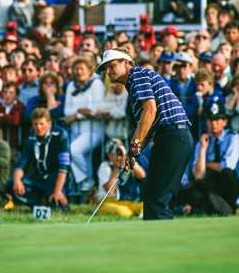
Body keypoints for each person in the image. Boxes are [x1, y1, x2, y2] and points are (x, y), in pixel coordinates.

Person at [96, 47, 194, 220]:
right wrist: (133, 153)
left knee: (156, 199)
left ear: (126, 62)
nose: (108, 71)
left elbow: (150, 109)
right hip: (172, 137)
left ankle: (159, 243)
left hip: (172, 136)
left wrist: (134, 146)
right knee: (156, 198)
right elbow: (147, 128)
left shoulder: (136, 74)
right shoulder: (133, 86)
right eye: (105, 69)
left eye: (111, 66)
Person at [177, 99, 239, 216]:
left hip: (229, 184)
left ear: (224, 121)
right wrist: (203, 149)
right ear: (207, 122)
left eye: (217, 119)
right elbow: (198, 175)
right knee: (191, 189)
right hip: (209, 183)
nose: (213, 123)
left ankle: (207, 206)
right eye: (211, 120)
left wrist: (206, 163)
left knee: (227, 174)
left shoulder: (233, 137)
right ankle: (224, 209)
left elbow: (227, 166)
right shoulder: (202, 141)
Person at [7, 107, 70, 209]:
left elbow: (64, 166)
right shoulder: (30, 139)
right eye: (35, 124)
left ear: (49, 124)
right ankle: (39, 202)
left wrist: (57, 191)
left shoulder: (61, 135)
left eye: (41, 124)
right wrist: (17, 181)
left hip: (55, 179)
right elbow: (21, 164)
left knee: (58, 206)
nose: (38, 128)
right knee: (10, 184)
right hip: (38, 178)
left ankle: (52, 198)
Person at [64, 56, 105, 192]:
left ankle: (87, 179)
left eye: (81, 69)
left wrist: (76, 115)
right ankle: (87, 192)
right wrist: (81, 112)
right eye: (76, 69)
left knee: (74, 149)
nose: (78, 72)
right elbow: (66, 110)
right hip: (76, 129)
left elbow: (95, 110)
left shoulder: (96, 84)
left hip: (94, 129)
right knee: (81, 155)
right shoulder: (71, 85)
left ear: (89, 70)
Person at [96, 139, 148, 217]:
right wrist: (116, 168)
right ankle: (135, 214)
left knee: (146, 206)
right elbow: (109, 190)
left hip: (126, 202)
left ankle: (137, 213)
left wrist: (129, 160)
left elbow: (142, 175)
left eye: (120, 153)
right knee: (123, 211)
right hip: (107, 201)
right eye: (114, 153)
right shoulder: (105, 166)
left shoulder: (126, 162)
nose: (118, 156)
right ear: (109, 155)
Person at [0, 81, 25, 173]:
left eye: (11, 92)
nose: (7, 95)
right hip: (0, 144)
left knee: (13, 169)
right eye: (5, 92)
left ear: (16, 95)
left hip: (14, 146)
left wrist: (3, 117)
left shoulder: (19, 106)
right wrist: (5, 117)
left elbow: (15, 120)